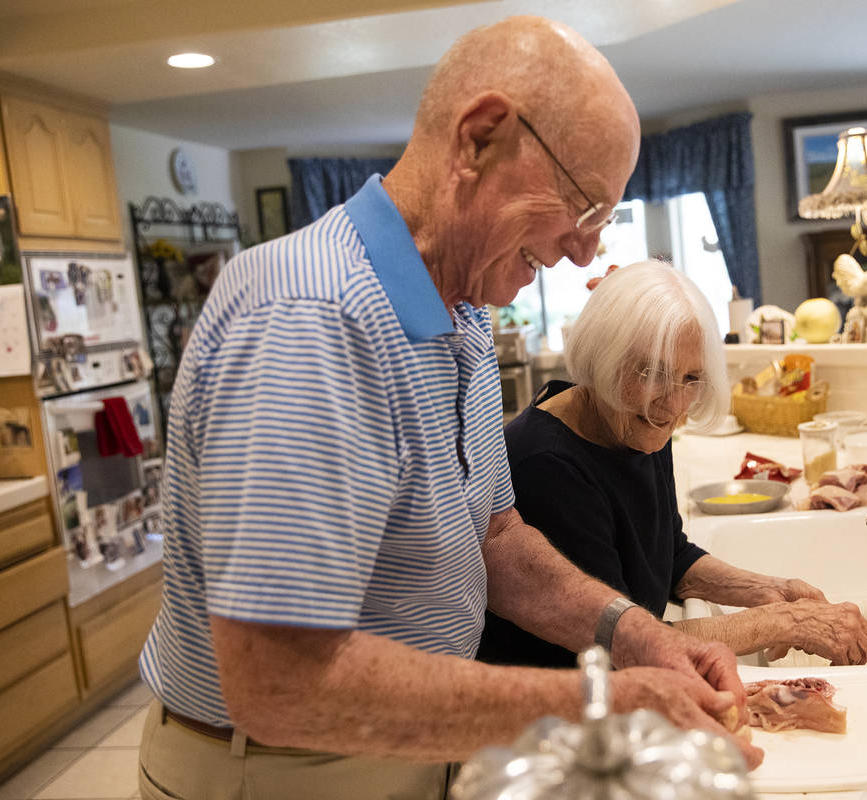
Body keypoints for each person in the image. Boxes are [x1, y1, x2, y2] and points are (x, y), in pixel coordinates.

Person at [136, 16, 761, 800]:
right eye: (583, 204)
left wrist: (637, 639)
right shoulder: (312, 319)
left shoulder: (460, 313)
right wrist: (603, 704)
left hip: (402, 752)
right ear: (479, 137)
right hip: (283, 772)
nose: (586, 251)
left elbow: (497, 540)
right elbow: (281, 680)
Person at [478, 261, 867, 670]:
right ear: (601, 357)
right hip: (565, 703)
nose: (672, 405)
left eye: (691, 377)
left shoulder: (634, 424)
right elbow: (625, 645)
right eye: (652, 372)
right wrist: (784, 622)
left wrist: (771, 590)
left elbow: (671, 559)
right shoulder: (548, 465)